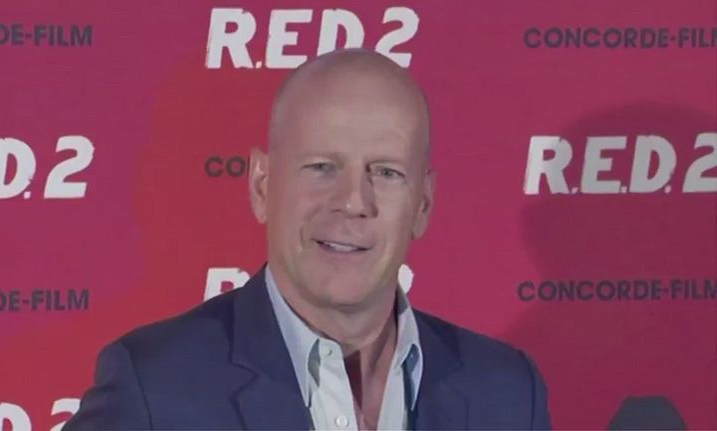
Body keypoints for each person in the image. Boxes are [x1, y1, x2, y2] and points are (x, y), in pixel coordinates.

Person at [64, 49, 551, 430]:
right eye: (322, 167)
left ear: (422, 204)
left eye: (385, 172)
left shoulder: (508, 394)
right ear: (262, 186)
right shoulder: (154, 388)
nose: (354, 201)